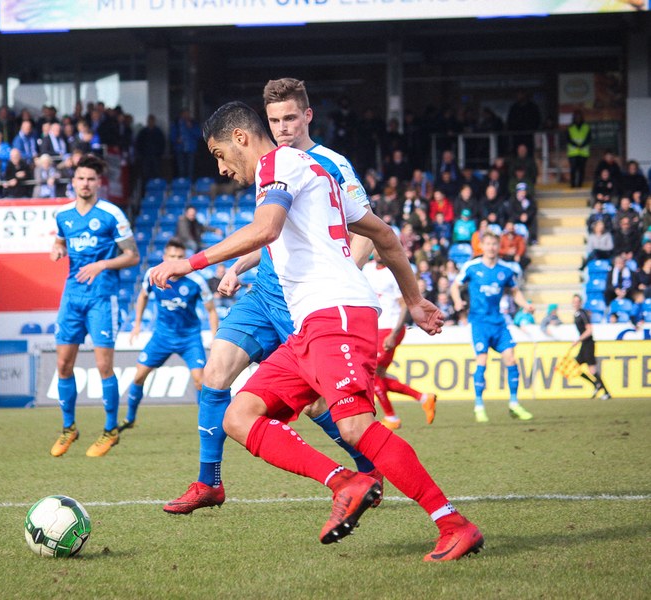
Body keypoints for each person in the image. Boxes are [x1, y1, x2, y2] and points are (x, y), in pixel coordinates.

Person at [149, 100, 483, 561]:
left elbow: (267, 229)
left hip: (336, 313)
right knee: (239, 416)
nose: (222, 168)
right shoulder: (315, 171)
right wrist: (414, 299)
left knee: (355, 425)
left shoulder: (279, 164)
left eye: (220, 155)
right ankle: (345, 482)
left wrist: (188, 263)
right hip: (310, 322)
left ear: (240, 138)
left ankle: (453, 524)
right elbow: (385, 235)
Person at [161, 79, 379, 517]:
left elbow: (367, 232)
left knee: (316, 403)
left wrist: (337, 280)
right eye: (274, 120)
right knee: (217, 369)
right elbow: (275, 233)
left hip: (306, 299)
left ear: (307, 116)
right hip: (264, 292)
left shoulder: (331, 164)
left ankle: (368, 468)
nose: (282, 128)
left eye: (290, 118)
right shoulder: (270, 164)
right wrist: (239, 266)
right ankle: (209, 481)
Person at [49, 154, 140, 458]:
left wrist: (102, 264)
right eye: (81, 178)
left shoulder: (112, 214)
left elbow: (133, 256)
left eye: (90, 179)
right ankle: (69, 428)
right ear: (73, 182)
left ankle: (111, 430)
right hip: (72, 297)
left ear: (98, 182)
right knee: (63, 365)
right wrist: (57, 248)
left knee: (103, 366)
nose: (85, 184)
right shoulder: (63, 215)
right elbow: (61, 241)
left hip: (102, 297)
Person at [121, 238, 219, 428]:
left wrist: (215, 336)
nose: (176, 260)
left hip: (189, 338)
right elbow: (142, 296)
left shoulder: (196, 280)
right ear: (165, 257)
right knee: (139, 376)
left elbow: (212, 310)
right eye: (172, 256)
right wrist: (137, 324)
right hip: (162, 337)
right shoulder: (153, 274)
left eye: (180, 257)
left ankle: (206, 424)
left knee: (200, 381)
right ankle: (130, 418)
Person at [450, 231, 535, 423]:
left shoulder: (505, 270)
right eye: (488, 244)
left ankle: (514, 403)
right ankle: (479, 406)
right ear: (482, 246)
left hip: (498, 322)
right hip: (479, 322)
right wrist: (457, 301)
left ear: (499, 247)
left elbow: (514, 291)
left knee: (511, 358)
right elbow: (455, 286)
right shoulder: (472, 267)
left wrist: (525, 305)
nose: (491, 247)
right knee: (482, 360)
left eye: (494, 244)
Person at [362, 250, 438, 431]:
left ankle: (391, 417)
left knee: (372, 375)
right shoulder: (367, 269)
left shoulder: (394, 272)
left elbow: (404, 305)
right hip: (373, 328)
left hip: (390, 328)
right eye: (374, 247)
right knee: (378, 376)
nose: (377, 251)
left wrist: (395, 333)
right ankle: (424, 398)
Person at [570, 295, 612, 400]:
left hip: (588, 344)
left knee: (592, 369)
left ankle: (606, 392)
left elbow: (589, 330)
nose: (575, 303)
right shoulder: (577, 314)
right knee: (574, 367)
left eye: (577, 301)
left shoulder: (583, 313)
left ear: (581, 302)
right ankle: (596, 384)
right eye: (574, 301)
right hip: (584, 344)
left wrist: (578, 340)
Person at [170, 109, 202, 179]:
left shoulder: (193, 123)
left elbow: (199, 135)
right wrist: (176, 139)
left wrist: (191, 128)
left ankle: (190, 183)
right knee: (181, 169)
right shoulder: (176, 123)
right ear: (181, 114)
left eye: (188, 114)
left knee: (190, 169)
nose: (186, 115)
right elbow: (172, 136)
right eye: (184, 114)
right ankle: (182, 183)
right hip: (180, 149)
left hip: (191, 149)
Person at [566, 110, 591, 188]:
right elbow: (568, 139)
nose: (578, 118)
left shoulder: (586, 127)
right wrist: (576, 145)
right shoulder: (570, 127)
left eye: (579, 117)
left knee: (581, 169)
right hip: (573, 152)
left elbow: (588, 138)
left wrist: (582, 145)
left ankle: (580, 184)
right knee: (573, 168)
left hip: (583, 152)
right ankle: (573, 184)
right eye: (576, 117)